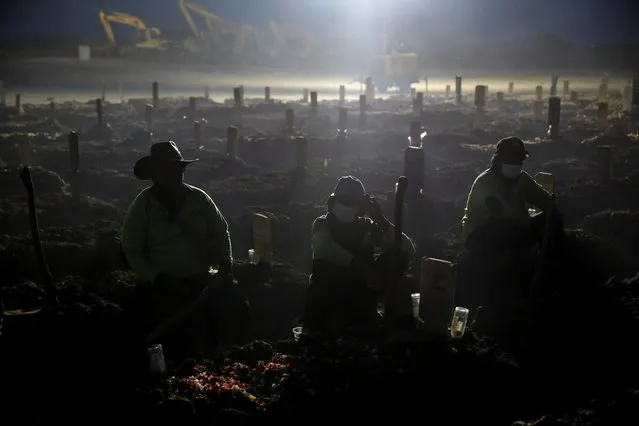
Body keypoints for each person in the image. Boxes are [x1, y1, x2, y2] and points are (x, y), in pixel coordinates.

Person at [121, 141, 249, 356]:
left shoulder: (199, 199)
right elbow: (132, 250)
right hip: (162, 286)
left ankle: (228, 352)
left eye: (179, 168)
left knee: (236, 304)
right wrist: (158, 279)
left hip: (202, 280)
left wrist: (226, 264)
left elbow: (220, 232)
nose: (177, 173)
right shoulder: (143, 206)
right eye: (170, 168)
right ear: (155, 173)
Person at [304, 176, 416, 335]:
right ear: (332, 202)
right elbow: (323, 248)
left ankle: (369, 316)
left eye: (352, 201)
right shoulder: (323, 224)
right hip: (328, 301)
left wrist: (381, 220)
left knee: (396, 258)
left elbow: (406, 249)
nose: (347, 205)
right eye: (343, 200)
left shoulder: (367, 227)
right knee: (324, 267)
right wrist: (362, 267)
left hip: (360, 298)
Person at [461, 137, 564, 260]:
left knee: (553, 217)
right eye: (510, 160)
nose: (515, 164)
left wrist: (550, 210)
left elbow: (542, 197)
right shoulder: (485, 183)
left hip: (516, 226)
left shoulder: (521, 179)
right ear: (498, 160)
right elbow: (503, 213)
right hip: (480, 233)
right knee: (505, 231)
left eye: (518, 160)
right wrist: (532, 224)